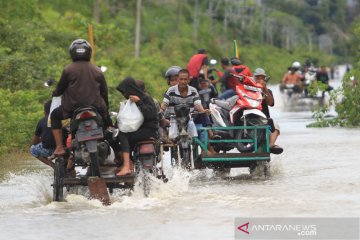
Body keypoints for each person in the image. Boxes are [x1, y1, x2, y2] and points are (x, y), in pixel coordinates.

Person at [50, 39, 111, 156]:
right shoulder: (97, 70)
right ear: (89, 52)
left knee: (54, 115)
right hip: (96, 107)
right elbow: (104, 93)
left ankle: (59, 148)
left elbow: (60, 89)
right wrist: (105, 111)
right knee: (109, 126)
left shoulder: (68, 70)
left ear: (72, 53)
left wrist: (55, 93)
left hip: (72, 108)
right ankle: (117, 156)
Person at [161, 69, 217, 155]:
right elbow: (164, 104)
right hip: (174, 119)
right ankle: (165, 138)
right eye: (181, 79)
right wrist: (161, 112)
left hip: (190, 118)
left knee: (203, 115)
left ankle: (209, 135)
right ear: (178, 79)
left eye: (185, 79)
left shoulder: (193, 90)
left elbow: (198, 105)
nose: (183, 81)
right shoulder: (170, 90)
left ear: (189, 80)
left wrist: (203, 111)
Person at [116, 77, 159, 176]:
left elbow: (150, 115)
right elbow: (126, 118)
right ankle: (128, 162)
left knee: (123, 135)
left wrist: (139, 102)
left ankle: (127, 166)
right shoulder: (130, 101)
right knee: (117, 135)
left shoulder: (145, 98)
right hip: (137, 131)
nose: (124, 95)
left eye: (125, 92)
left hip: (148, 130)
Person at [253, 68, 283, 154]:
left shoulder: (267, 91)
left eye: (262, 78)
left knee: (276, 127)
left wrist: (264, 89)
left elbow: (270, 103)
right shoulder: (249, 89)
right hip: (250, 118)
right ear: (254, 78)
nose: (259, 80)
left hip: (264, 118)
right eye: (257, 78)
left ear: (264, 79)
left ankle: (271, 145)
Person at [30, 100, 56, 168]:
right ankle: (70, 168)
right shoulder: (63, 119)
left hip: (48, 150)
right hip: (64, 148)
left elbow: (35, 141)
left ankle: (53, 166)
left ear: (44, 112)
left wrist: (42, 140)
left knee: (33, 149)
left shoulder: (42, 121)